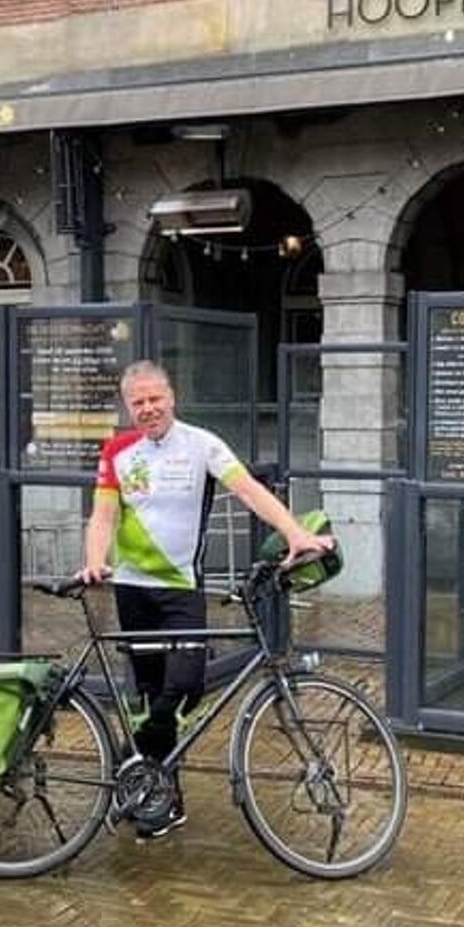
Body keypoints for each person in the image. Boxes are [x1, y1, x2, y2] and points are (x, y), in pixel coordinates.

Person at [79, 360, 330, 841]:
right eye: (138, 402)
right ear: (128, 406)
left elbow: (249, 490)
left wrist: (295, 532)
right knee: (150, 693)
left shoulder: (201, 444)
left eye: (156, 398)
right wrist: (95, 561)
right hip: (132, 590)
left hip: (180, 588)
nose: (148, 408)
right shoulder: (116, 452)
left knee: (185, 684)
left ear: (171, 397)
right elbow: (103, 517)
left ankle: (141, 758)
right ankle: (160, 796)